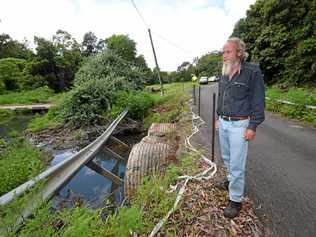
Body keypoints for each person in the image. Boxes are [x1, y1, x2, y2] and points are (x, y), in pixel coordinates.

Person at [216, 37, 265, 218]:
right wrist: (218, 117)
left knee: (237, 164)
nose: (224, 55)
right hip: (224, 122)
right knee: (227, 157)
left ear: (239, 52)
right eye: (223, 52)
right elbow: (221, 95)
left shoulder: (252, 71)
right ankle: (230, 181)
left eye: (228, 52)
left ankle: (235, 201)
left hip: (240, 124)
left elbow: (258, 100)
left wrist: (252, 126)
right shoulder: (224, 72)